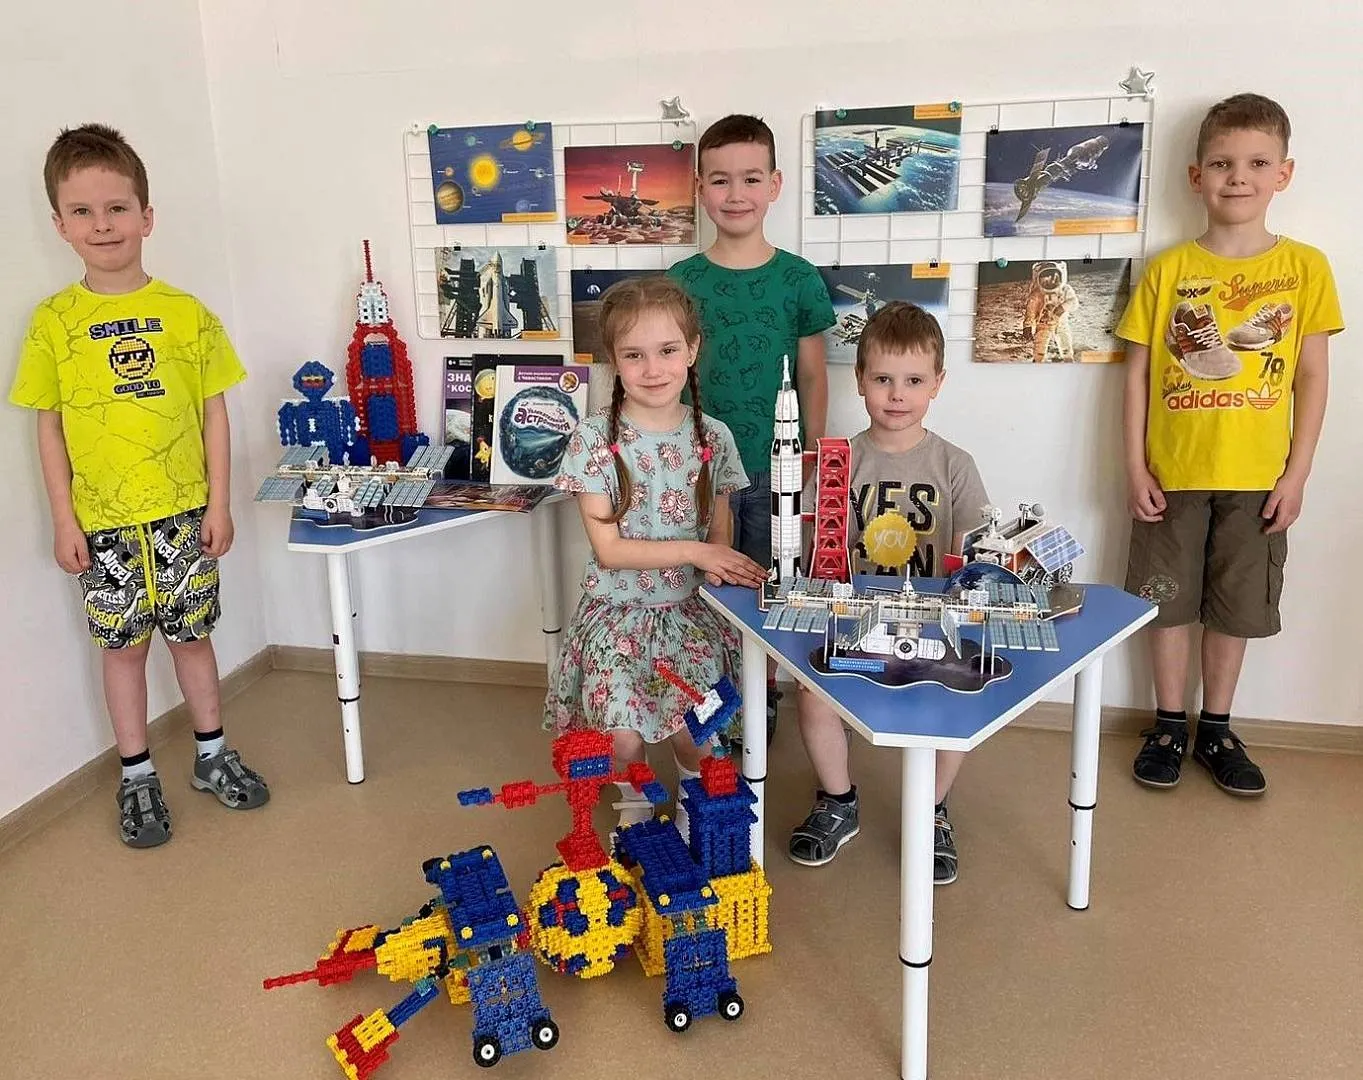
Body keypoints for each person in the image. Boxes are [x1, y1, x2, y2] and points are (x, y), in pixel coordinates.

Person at [8, 124, 269, 849]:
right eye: (83, 212)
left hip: (184, 516)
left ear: (146, 217)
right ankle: (136, 774)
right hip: (103, 527)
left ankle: (212, 755)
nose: (102, 225)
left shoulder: (188, 315)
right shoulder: (53, 323)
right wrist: (64, 521)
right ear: (60, 225)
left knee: (192, 638)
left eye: (117, 208)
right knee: (122, 651)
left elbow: (214, 413)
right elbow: (49, 428)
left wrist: (219, 503)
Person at [1118, 93, 1343, 797]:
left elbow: (1312, 376)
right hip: (1172, 474)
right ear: (1196, 176)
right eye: (1221, 163)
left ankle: (1215, 727)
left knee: (1235, 605)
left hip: (1259, 477)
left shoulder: (1305, 268)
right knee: (1165, 603)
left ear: (1284, 173)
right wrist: (1133, 466)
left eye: (1256, 163)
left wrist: (1297, 475)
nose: (1238, 177)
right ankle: (1167, 724)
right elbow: (1135, 377)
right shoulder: (1166, 270)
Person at [543, 276, 767, 836]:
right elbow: (610, 550)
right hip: (616, 614)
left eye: (668, 350)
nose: (653, 369)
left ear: (692, 350)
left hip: (691, 614)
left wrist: (724, 572)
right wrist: (698, 550)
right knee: (623, 738)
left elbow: (720, 532)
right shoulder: (592, 439)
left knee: (696, 731)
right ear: (613, 361)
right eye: (634, 355)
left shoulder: (714, 437)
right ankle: (635, 801)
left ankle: (693, 797)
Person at [788, 302, 989, 884]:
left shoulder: (955, 464)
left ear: (938, 384)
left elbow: (976, 550)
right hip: (855, 619)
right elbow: (811, 541)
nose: (897, 395)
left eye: (914, 381)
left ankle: (932, 809)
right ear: (860, 380)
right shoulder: (840, 460)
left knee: (962, 698)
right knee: (813, 695)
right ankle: (838, 800)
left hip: (933, 621)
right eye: (882, 379)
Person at [667, 114, 836, 747]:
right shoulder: (683, 281)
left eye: (750, 178)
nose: (735, 193)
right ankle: (711, 699)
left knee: (767, 586)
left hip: (774, 467)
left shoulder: (798, 279)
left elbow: (814, 375)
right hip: (698, 472)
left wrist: (812, 457)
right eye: (720, 180)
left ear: (775, 185)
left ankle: (762, 699)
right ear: (700, 188)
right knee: (702, 588)